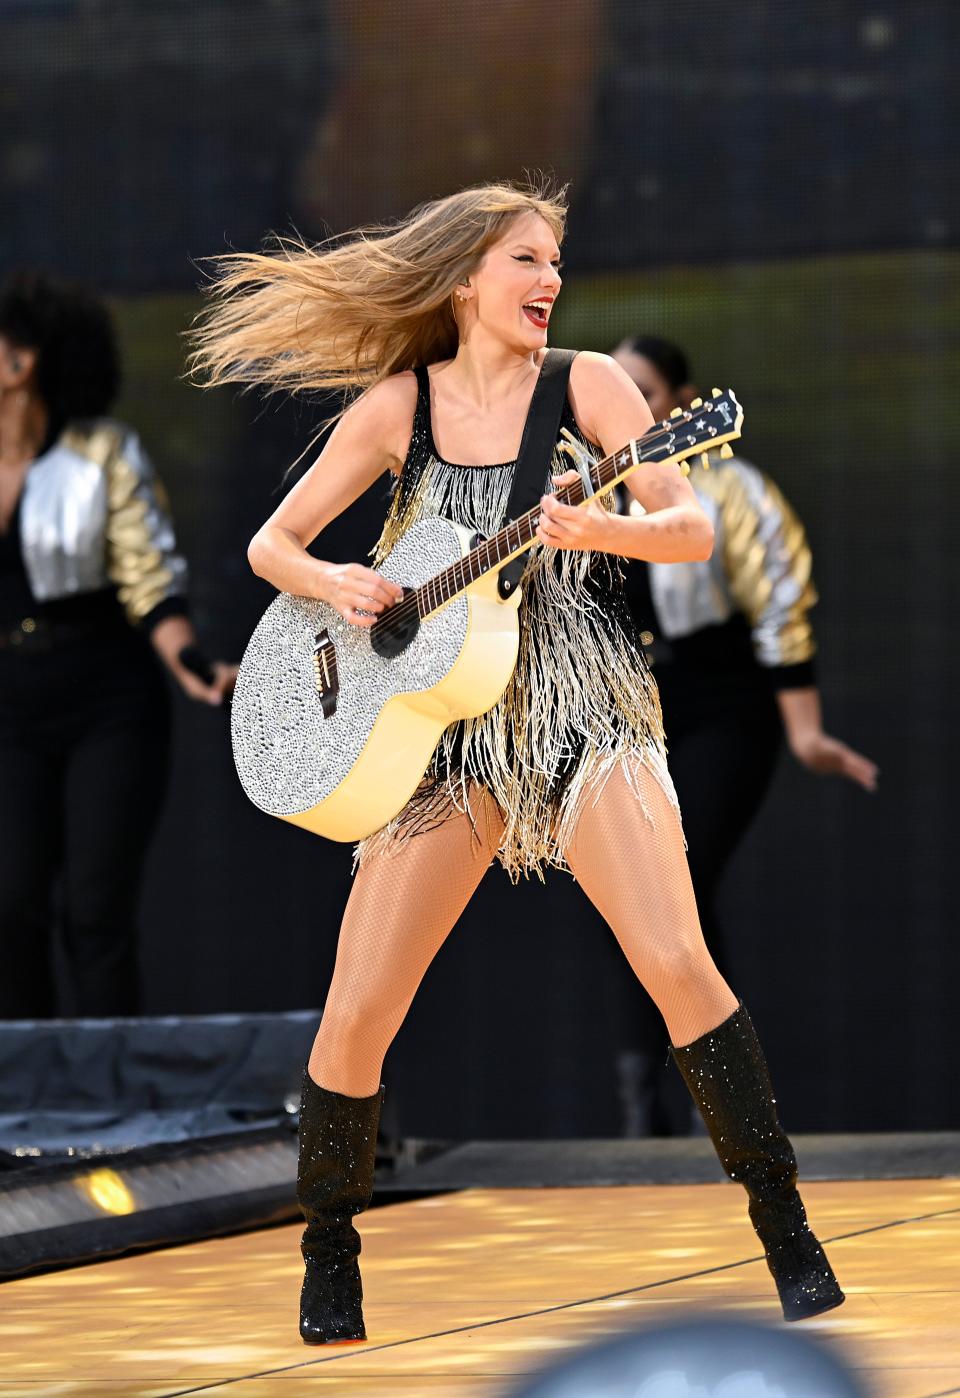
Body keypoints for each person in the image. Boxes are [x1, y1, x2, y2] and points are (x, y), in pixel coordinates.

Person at [190, 181, 845, 1344]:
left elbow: (686, 525)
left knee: (678, 961)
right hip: (441, 728)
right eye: (526, 262)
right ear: (462, 281)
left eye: (556, 262)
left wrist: (606, 529)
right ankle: (329, 1254)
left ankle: (788, 1232)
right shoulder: (399, 406)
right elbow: (268, 544)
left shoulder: (589, 386)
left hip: (583, 703)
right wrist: (338, 582)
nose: (550, 282)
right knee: (357, 1013)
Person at [608, 335, 878, 1134]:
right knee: (635, 897)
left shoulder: (728, 491)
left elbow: (781, 611)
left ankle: (711, 1094)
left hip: (723, 703)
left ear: (680, 400)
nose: (628, 407)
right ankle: (647, 1101)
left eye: (645, 391)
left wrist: (805, 734)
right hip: (628, 712)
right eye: (615, 391)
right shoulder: (582, 494)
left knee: (676, 882)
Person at [0, 272, 235, 1019]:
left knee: (96, 916)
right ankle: (22, 1110)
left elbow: (148, 576)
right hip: (8, 706)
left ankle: (117, 1110)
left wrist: (189, 660)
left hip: (106, 698)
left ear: (20, 363)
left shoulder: (102, 453)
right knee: (10, 911)